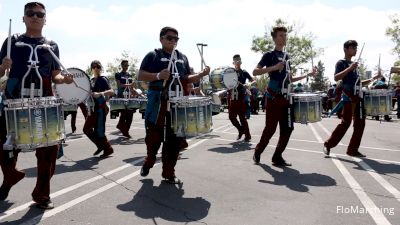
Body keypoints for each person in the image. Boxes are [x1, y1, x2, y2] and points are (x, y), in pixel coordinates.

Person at [0, 2, 74, 209]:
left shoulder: (51, 45)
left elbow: (55, 74)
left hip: (44, 101)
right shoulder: (11, 42)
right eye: (30, 14)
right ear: (23, 18)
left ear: (45, 19)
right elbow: (0, 73)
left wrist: (64, 78)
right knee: (5, 148)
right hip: (14, 100)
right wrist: (2, 67)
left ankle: (41, 195)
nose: (35, 17)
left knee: (49, 152)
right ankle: (9, 177)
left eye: (40, 14)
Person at [138, 26, 210, 184]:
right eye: (170, 38)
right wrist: (158, 75)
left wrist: (201, 74)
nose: (173, 41)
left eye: (176, 39)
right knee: (154, 137)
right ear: (161, 39)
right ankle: (149, 162)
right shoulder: (153, 55)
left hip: (178, 103)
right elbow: (140, 75)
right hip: (158, 101)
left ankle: (169, 173)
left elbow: (186, 78)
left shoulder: (182, 57)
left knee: (174, 139)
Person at [252, 26, 316, 166]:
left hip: (286, 98)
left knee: (288, 128)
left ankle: (277, 156)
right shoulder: (269, 55)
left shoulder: (287, 57)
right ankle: (258, 151)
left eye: (285, 35)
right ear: (274, 38)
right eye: (281, 35)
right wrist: (274, 67)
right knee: (270, 129)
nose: (284, 38)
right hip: (273, 97)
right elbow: (255, 72)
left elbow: (290, 78)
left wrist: (307, 75)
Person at [322, 40, 382, 157]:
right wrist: (349, 68)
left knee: (360, 124)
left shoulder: (355, 67)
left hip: (357, 97)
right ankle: (328, 144)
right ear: (345, 49)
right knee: (346, 123)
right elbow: (336, 77)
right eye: (353, 47)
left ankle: (352, 149)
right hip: (348, 97)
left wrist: (374, 77)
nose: (355, 49)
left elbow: (359, 83)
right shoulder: (341, 63)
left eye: (356, 47)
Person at [83, 60, 114, 158]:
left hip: (100, 108)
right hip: (92, 108)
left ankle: (106, 148)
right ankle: (104, 147)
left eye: (98, 66)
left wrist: (100, 93)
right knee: (88, 129)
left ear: (101, 68)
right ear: (91, 68)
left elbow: (112, 91)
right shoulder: (91, 80)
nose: (96, 68)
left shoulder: (103, 79)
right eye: (94, 66)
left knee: (99, 130)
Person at [229, 54, 254, 141]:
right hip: (232, 97)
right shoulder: (230, 73)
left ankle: (248, 135)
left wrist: (249, 84)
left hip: (241, 97)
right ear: (233, 62)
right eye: (236, 61)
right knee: (231, 117)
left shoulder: (244, 72)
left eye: (239, 60)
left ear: (241, 61)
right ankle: (240, 130)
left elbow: (253, 80)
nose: (238, 62)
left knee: (242, 118)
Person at [115, 60, 135, 138]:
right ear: (122, 66)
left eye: (127, 65)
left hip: (129, 96)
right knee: (126, 114)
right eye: (125, 65)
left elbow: (132, 87)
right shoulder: (118, 74)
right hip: (121, 96)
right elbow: (119, 85)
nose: (126, 67)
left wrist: (135, 94)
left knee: (129, 114)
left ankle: (121, 126)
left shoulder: (129, 75)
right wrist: (129, 85)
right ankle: (125, 130)